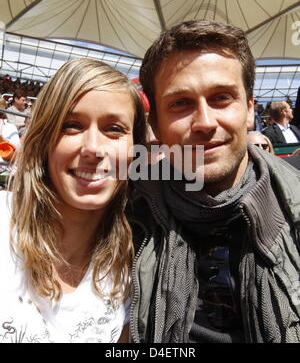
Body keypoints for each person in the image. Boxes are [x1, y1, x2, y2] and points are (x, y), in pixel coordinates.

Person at [127, 19, 300, 343]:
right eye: (180, 103)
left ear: (249, 109)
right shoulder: (125, 218)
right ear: (156, 124)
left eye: (221, 98)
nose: (205, 123)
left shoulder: (294, 207)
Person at [0, 57, 146, 343]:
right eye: (71, 125)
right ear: (44, 140)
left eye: (114, 129)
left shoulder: (135, 269)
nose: (93, 148)